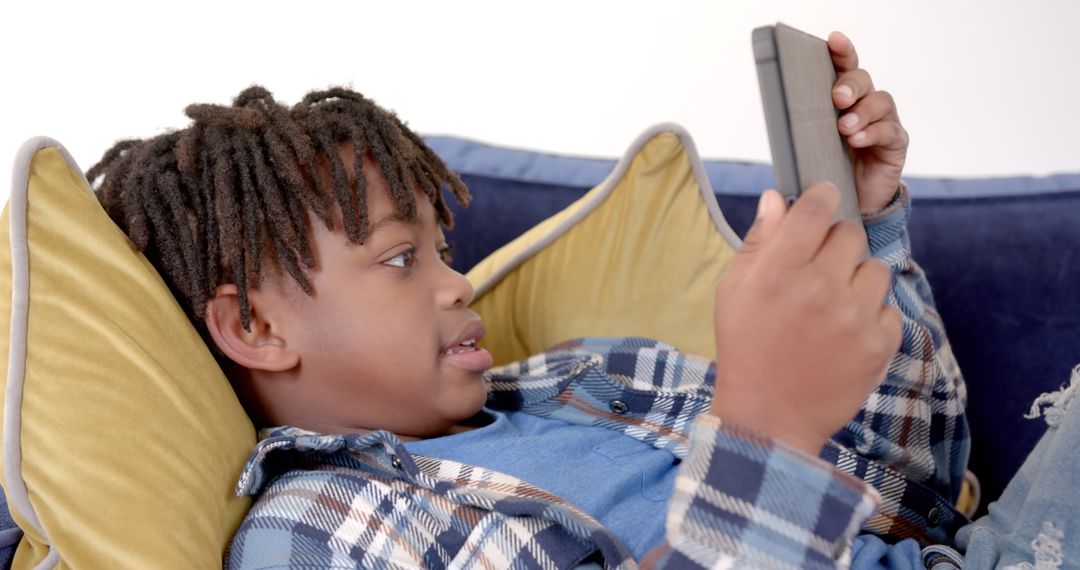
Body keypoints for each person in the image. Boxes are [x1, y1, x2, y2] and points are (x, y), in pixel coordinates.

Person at [85, 32, 1077, 569]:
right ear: (254, 327)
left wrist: (864, 235)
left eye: (445, 248)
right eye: (399, 260)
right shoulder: (316, 528)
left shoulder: (593, 373)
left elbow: (920, 482)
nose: (458, 280)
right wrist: (763, 437)